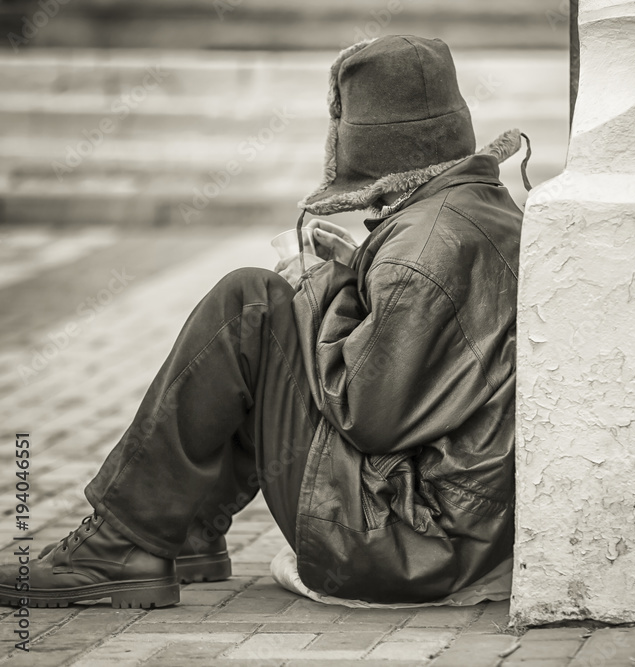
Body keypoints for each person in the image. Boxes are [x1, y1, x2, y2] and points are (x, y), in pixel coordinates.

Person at [0, 35, 527, 608]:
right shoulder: (476, 207)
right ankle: (186, 531)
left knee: (250, 304)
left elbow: (365, 414)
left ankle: (120, 543)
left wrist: (319, 290)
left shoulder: (420, 249)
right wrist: (349, 273)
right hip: (457, 526)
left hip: (409, 542)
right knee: (269, 318)